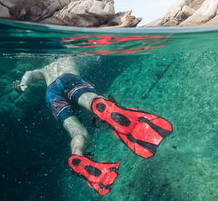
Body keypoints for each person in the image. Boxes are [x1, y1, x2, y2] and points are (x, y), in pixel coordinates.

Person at [13, 55, 173, 196]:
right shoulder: (71, 55)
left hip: (51, 94)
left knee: (78, 134)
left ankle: (78, 156)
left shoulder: (43, 70)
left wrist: (23, 85)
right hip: (67, 79)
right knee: (90, 100)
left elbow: (28, 74)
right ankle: (100, 105)